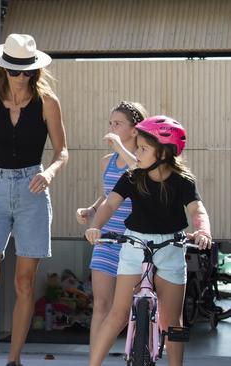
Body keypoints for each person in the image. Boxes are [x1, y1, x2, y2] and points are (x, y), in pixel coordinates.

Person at [0, 33, 68, 366]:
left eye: (27, 71)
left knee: (24, 281)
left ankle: (14, 360)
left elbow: (62, 151)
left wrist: (49, 172)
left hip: (32, 190)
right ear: (3, 69)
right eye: (15, 70)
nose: (21, 77)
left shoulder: (48, 102)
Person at [85, 116, 212, 366]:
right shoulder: (133, 176)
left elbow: (197, 210)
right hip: (135, 245)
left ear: (164, 152)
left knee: (171, 320)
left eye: (143, 148)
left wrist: (203, 231)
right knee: (118, 314)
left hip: (171, 248)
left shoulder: (182, 180)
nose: (137, 152)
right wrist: (95, 226)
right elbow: (110, 204)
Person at [75, 101, 147, 349]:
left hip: (135, 240)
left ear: (135, 129)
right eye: (111, 123)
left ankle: (137, 354)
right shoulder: (107, 161)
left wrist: (119, 147)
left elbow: (139, 171)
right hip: (107, 238)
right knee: (101, 305)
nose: (112, 128)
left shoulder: (144, 158)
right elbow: (108, 195)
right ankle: (95, 359)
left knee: (132, 306)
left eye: (118, 124)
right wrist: (91, 210)